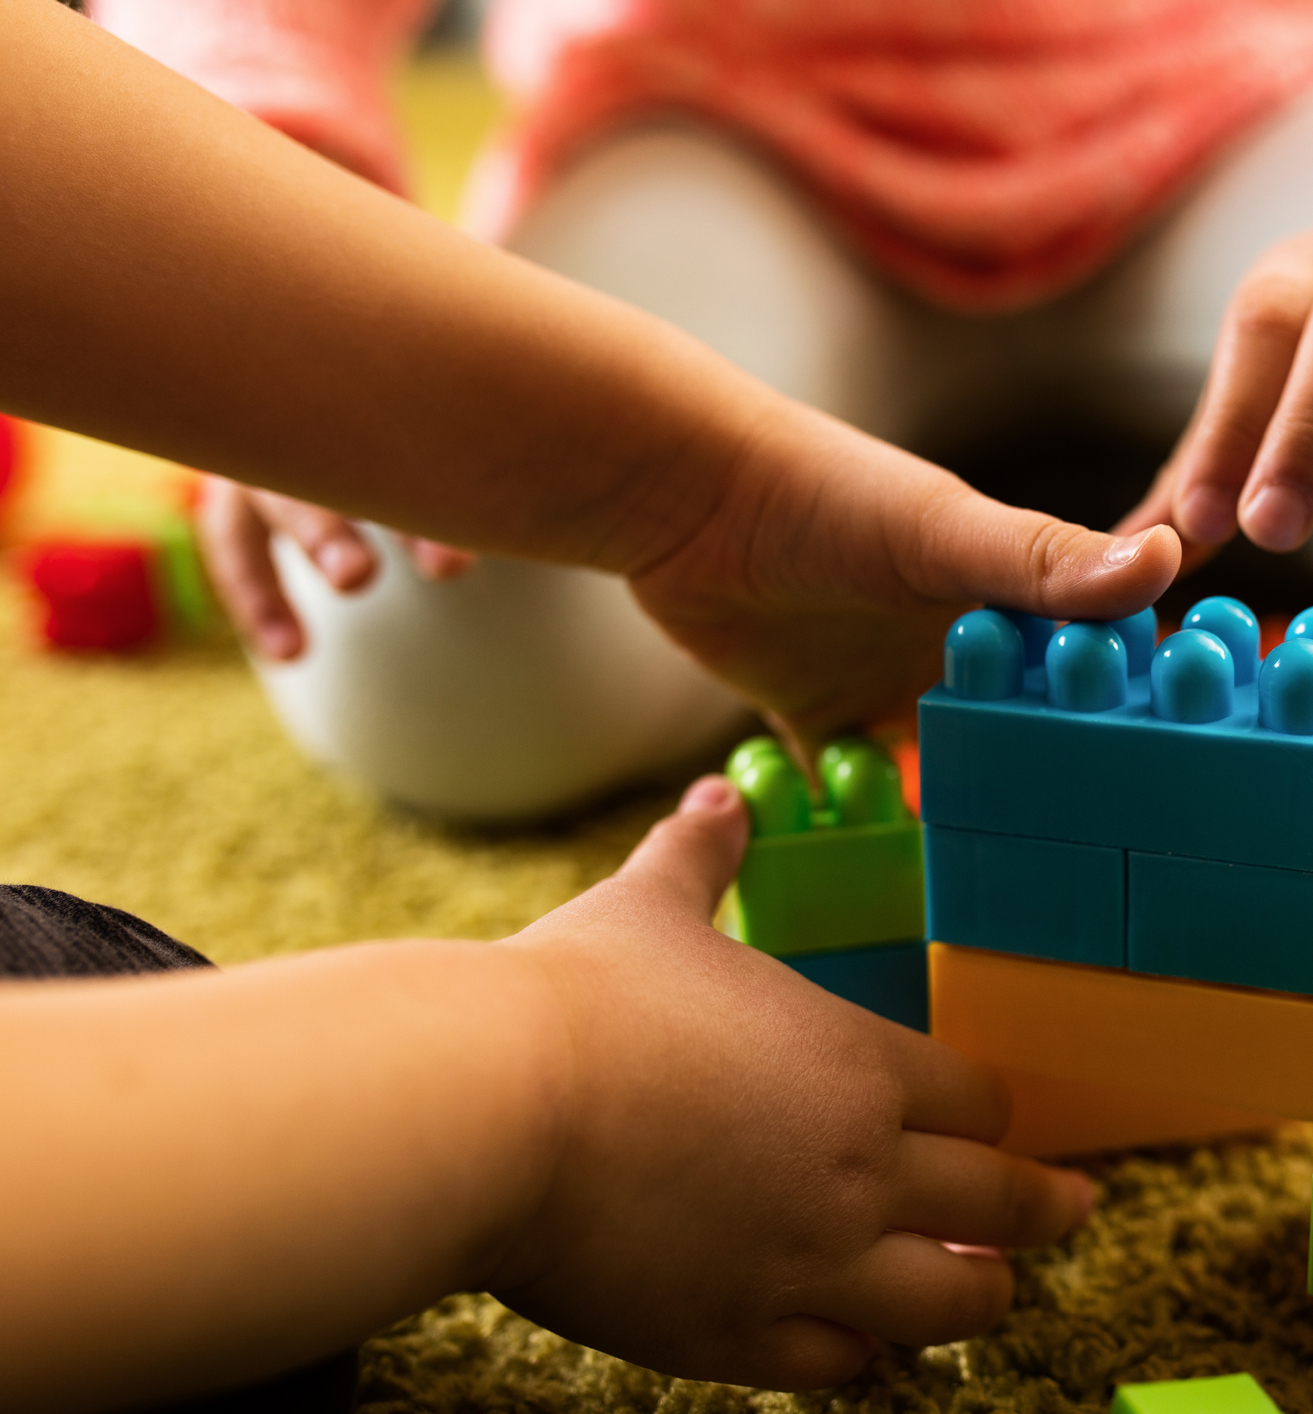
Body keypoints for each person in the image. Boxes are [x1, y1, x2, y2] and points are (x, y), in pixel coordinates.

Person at [0, 0, 1168, 1406]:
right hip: (691, 147)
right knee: (177, 1161)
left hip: (1219, 133)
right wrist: (546, 1089)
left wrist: (679, 486)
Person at [104, 0, 1313, 820]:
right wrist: (281, 207)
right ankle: (1102, 508)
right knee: (429, 653)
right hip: (716, 128)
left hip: (1245, 98)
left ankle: (1126, 495)